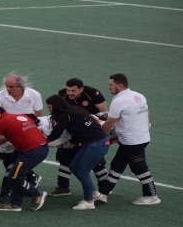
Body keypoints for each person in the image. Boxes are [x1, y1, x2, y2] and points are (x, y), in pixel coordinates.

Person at [95, 74, 160, 205]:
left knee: (139, 168)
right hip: (141, 137)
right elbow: (147, 112)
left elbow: (109, 124)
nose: (108, 87)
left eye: (110, 85)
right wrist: (146, 126)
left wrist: (99, 137)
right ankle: (103, 193)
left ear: (119, 86)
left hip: (132, 141)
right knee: (117, 165)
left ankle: (152, 195)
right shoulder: (139, 96)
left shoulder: (118, 101)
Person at [45, 95, 110, 210]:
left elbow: (56, 134)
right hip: (94, 142)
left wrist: (41, 141)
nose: (49, 110)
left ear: (56, 106)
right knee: (74, 167)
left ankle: (89, 201)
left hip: (96, 144)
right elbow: (79, 129)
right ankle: (95, 193)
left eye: (50, 107)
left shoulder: (63, 116)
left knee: (83, 172)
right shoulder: (74, 111)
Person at [0, 73, 44, 201]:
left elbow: (39, 117)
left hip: (24, 134)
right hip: (7, 133)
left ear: (20, 86)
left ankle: (5, 193)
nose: (8, 89)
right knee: (7, 160)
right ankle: (31, 177)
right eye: (7, 86)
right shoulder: (0, 95)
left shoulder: (34, 95)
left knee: (12, 164)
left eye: (11, 87)